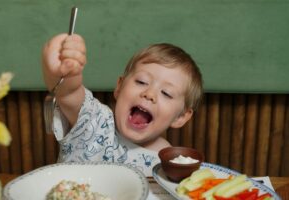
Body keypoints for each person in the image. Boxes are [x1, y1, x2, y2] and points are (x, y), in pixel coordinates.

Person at [42, 33, 203, 176]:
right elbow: (69, 93)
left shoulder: (167, 163)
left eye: (166, 93)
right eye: (141, 81)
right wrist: (63, 72)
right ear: (119, 87)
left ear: (181, 117)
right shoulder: (96, 120)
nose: (149, 94)